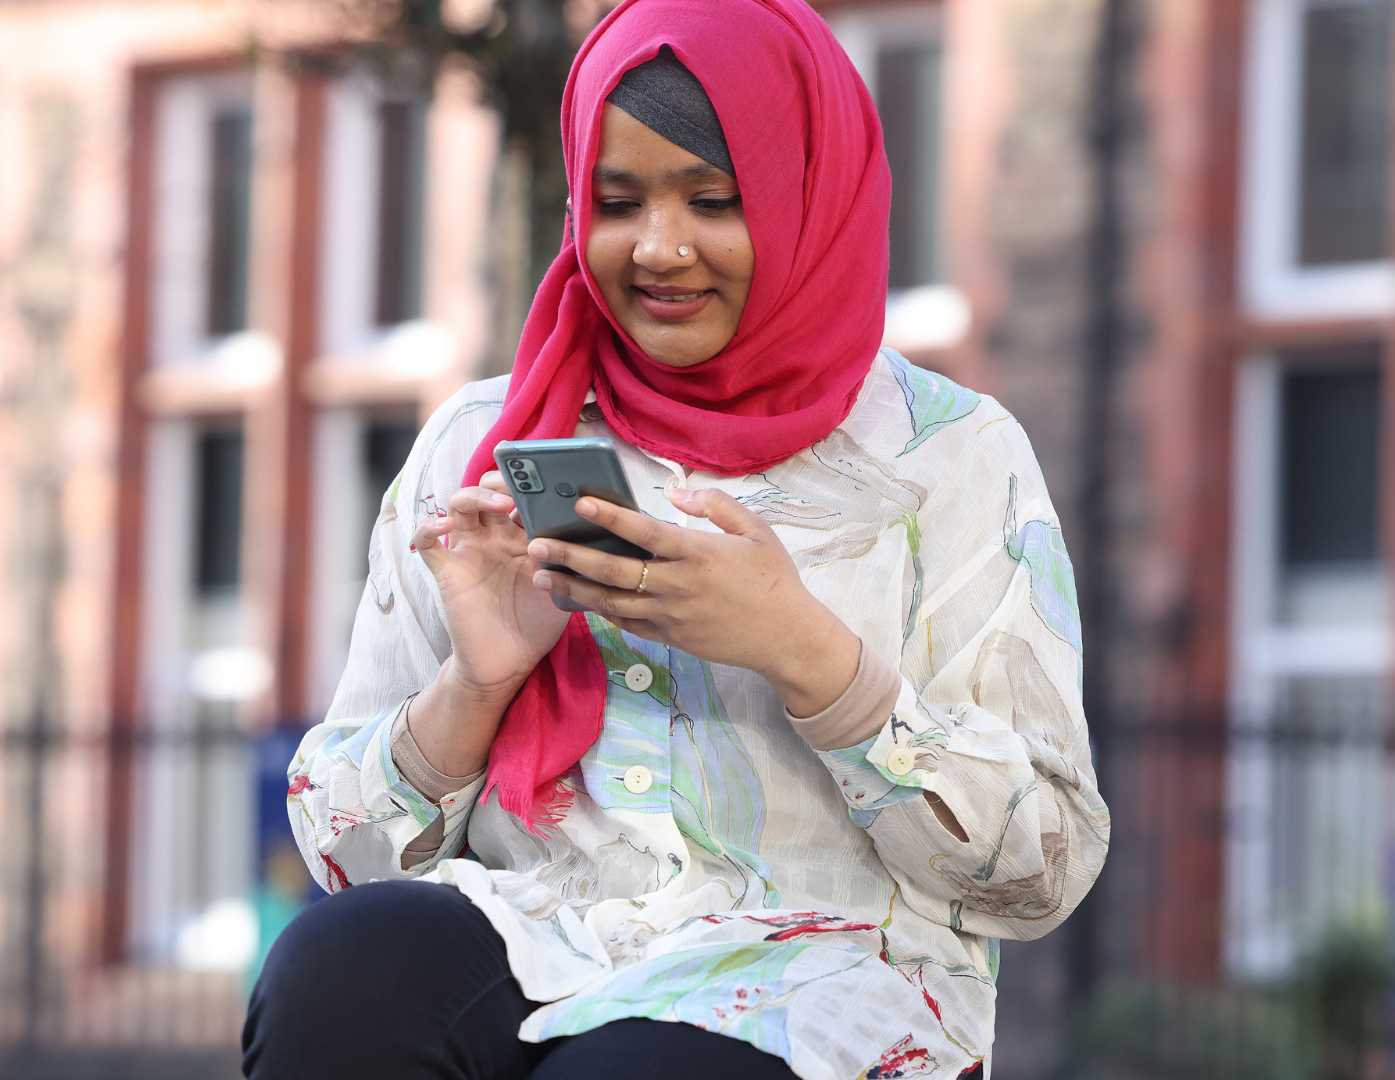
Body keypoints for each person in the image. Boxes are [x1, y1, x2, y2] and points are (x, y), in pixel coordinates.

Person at [243, 0, 1109, 1076]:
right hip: (547, 934)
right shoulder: (489, 438)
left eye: (713, 198)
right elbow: (343, 858)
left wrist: (807, 653)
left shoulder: (955, 457)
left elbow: (1043, 871)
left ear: (810, 197)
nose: (658, 249)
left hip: (822, 979)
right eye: (618, 202)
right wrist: (478, 682)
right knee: (341, 970)